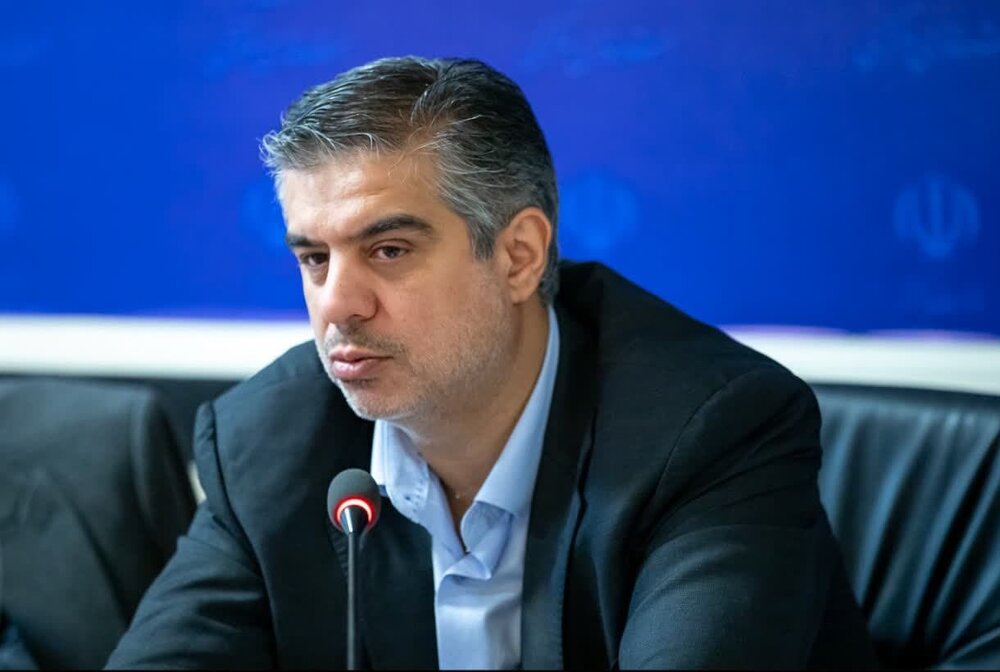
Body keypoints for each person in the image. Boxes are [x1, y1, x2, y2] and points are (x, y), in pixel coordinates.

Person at [108, 56, 876, 669]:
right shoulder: (264, 443)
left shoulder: (711, 431)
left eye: (389, 250)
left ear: (519, 256)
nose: (337, 305)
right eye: (314, 259)